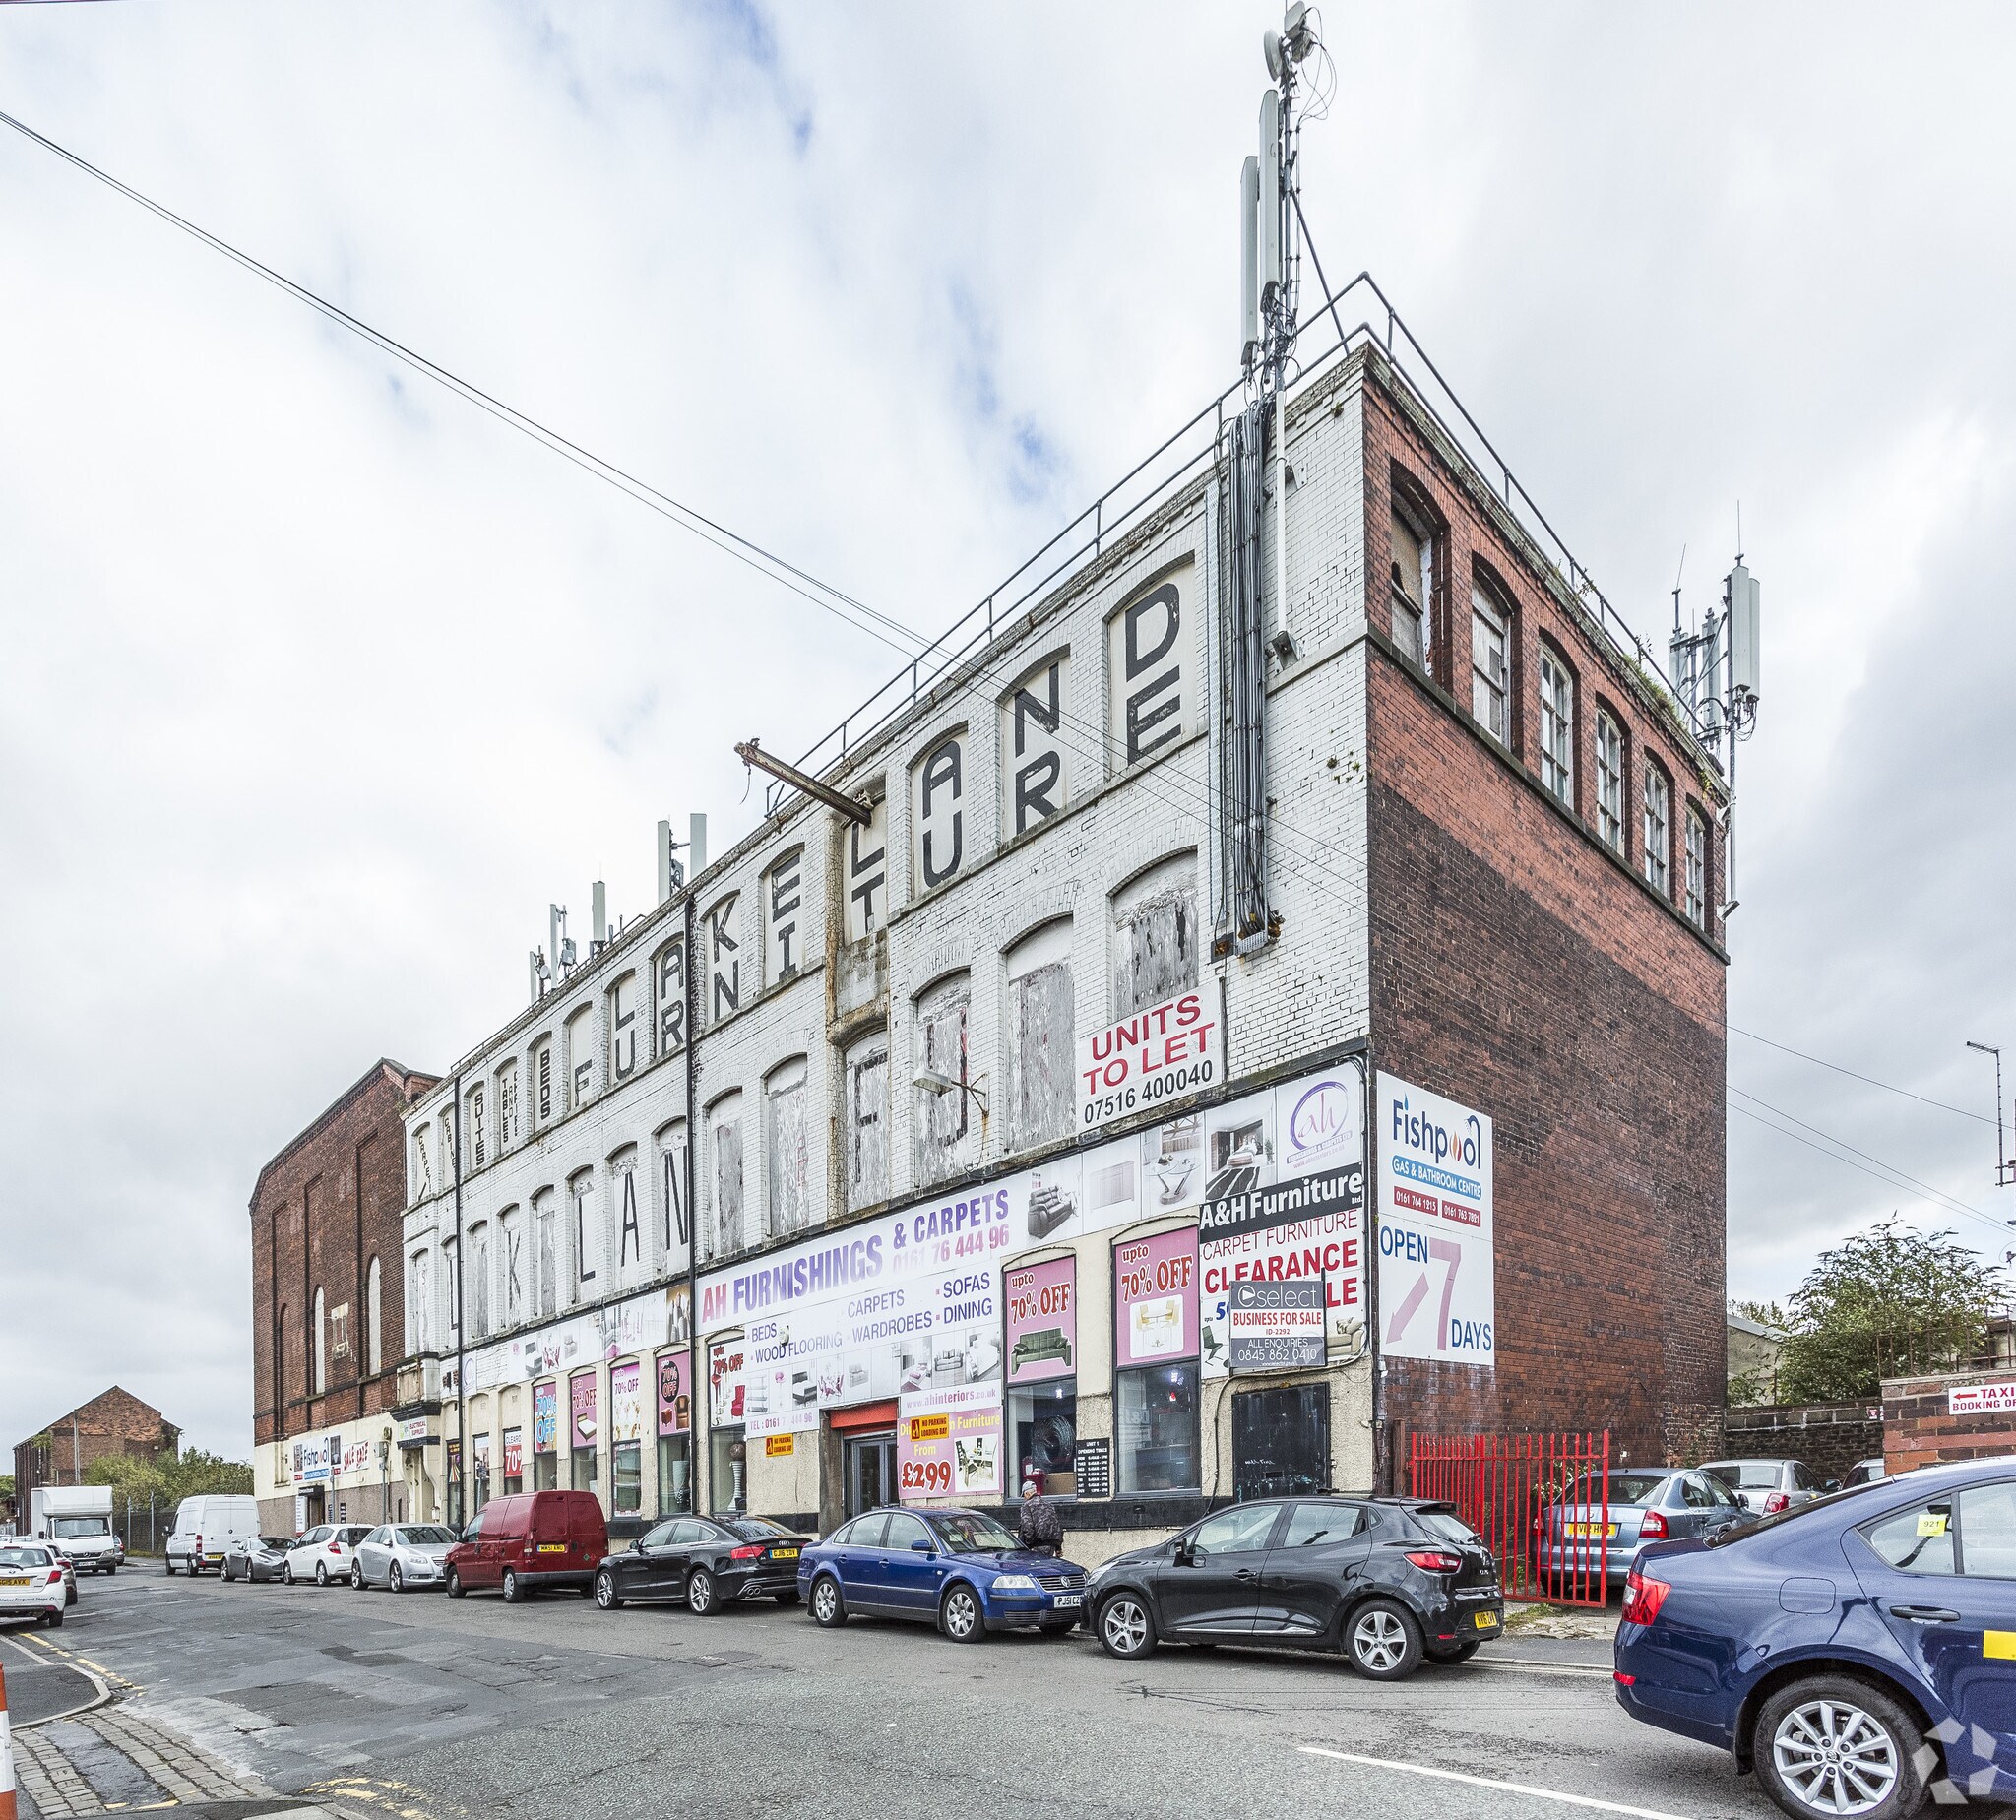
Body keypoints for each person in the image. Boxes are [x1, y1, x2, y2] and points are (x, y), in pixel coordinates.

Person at [1017, 1477, 1064, 1554]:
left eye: (1024, 1496)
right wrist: (1058, 1547)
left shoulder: (1027, 1506)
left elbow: (1027, 1527)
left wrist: (1029, 1545)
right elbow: (1057, 1526)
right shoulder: (1049, 1505)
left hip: (1036, 1546)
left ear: (1027, 1494)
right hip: (1051, 1547)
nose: (1024, 1499)